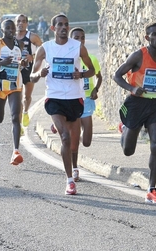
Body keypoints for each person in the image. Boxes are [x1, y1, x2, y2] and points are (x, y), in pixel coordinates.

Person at [113, 22, 156, 204]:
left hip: (155, 104)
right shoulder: (138, 56)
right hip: (136, 103)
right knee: (128, 150)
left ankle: (152, 189)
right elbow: (117, 75)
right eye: (154, 34)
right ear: (147, 37)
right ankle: (125, 127)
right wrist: (132, 88)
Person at [30, 14, 95, 195]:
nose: (63, 27)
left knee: (74, 143)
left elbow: (91, 70)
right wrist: (40, 74)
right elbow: (31, 76)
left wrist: (81, 75)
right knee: (65, 137)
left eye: (66, 24)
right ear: (53, 28)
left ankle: (73, 167)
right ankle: (69, 181)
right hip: (55, 98)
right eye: (59, 25)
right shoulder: (45, 48)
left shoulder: (77, 47)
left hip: (75, 98)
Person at [0, 19, 27, 166]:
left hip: (15, 85)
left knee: (16, 117)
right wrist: (0, 64)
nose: (11, 30)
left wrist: (23, 63)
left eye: (13, 28)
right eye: (8, 28)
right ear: (2, 30)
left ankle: (16, 151)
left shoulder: (19, 44)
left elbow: (19, 63)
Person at [67, 27, 102, 181]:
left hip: (87, 102)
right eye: (76, 37)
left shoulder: (91, 58)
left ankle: (71, 136)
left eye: (82, 37)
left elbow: (99, 76)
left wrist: (95, 89)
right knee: (74, 141)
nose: (80, 40)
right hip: (73, 101)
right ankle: (75, 168)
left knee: (86, 142)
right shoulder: (67, 58)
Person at [15, 14, 43, 127]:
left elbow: (43, 50)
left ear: (26, 23)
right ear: (15, 23)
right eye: (18, 21)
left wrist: (33, 56)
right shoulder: (11, 37)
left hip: (29, 70)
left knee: (27, 96)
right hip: (16, 71)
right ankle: (19, 123)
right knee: (18, 97)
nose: (20, 23)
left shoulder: (32, 37)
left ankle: (26, 112)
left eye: (23, 21)